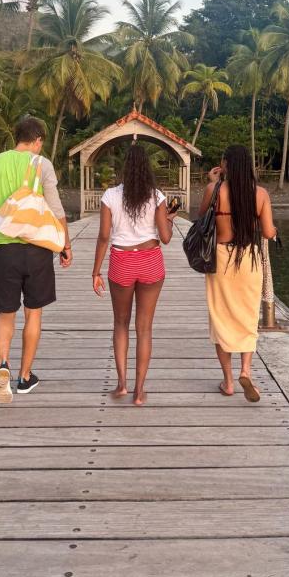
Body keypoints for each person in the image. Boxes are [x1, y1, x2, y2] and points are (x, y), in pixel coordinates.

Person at [0, 116, 72, 404]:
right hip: (37, 249)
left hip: (4, 249)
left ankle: (3, 364)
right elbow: (56, 209)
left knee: (5, 314)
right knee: (33, 313)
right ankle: (25, 377)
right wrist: (65, 245)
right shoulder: (41, 164)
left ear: (17, 136)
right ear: (38, 139)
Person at [92, 144, 177, 406]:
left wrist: (95, 271)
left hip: (121, 261)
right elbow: (165, 238)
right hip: (150, 261)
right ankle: (140, 392)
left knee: (120, 324)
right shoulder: (158, 197)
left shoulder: (110, 196)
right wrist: (170, 218)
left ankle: (122, 386)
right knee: (145, 329)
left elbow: (105, 236)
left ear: (125, 168)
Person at [199, 145, 277, 403]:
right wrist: (274, 228)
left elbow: (201, 222)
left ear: (226, 165)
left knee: (220, 318)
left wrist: (214, 183)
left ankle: (229, 382)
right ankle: (246, 370)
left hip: (220, 259)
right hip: (249, 259)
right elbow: (267, 233)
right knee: (247, 316)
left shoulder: (214, 191)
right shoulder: (261, 194)